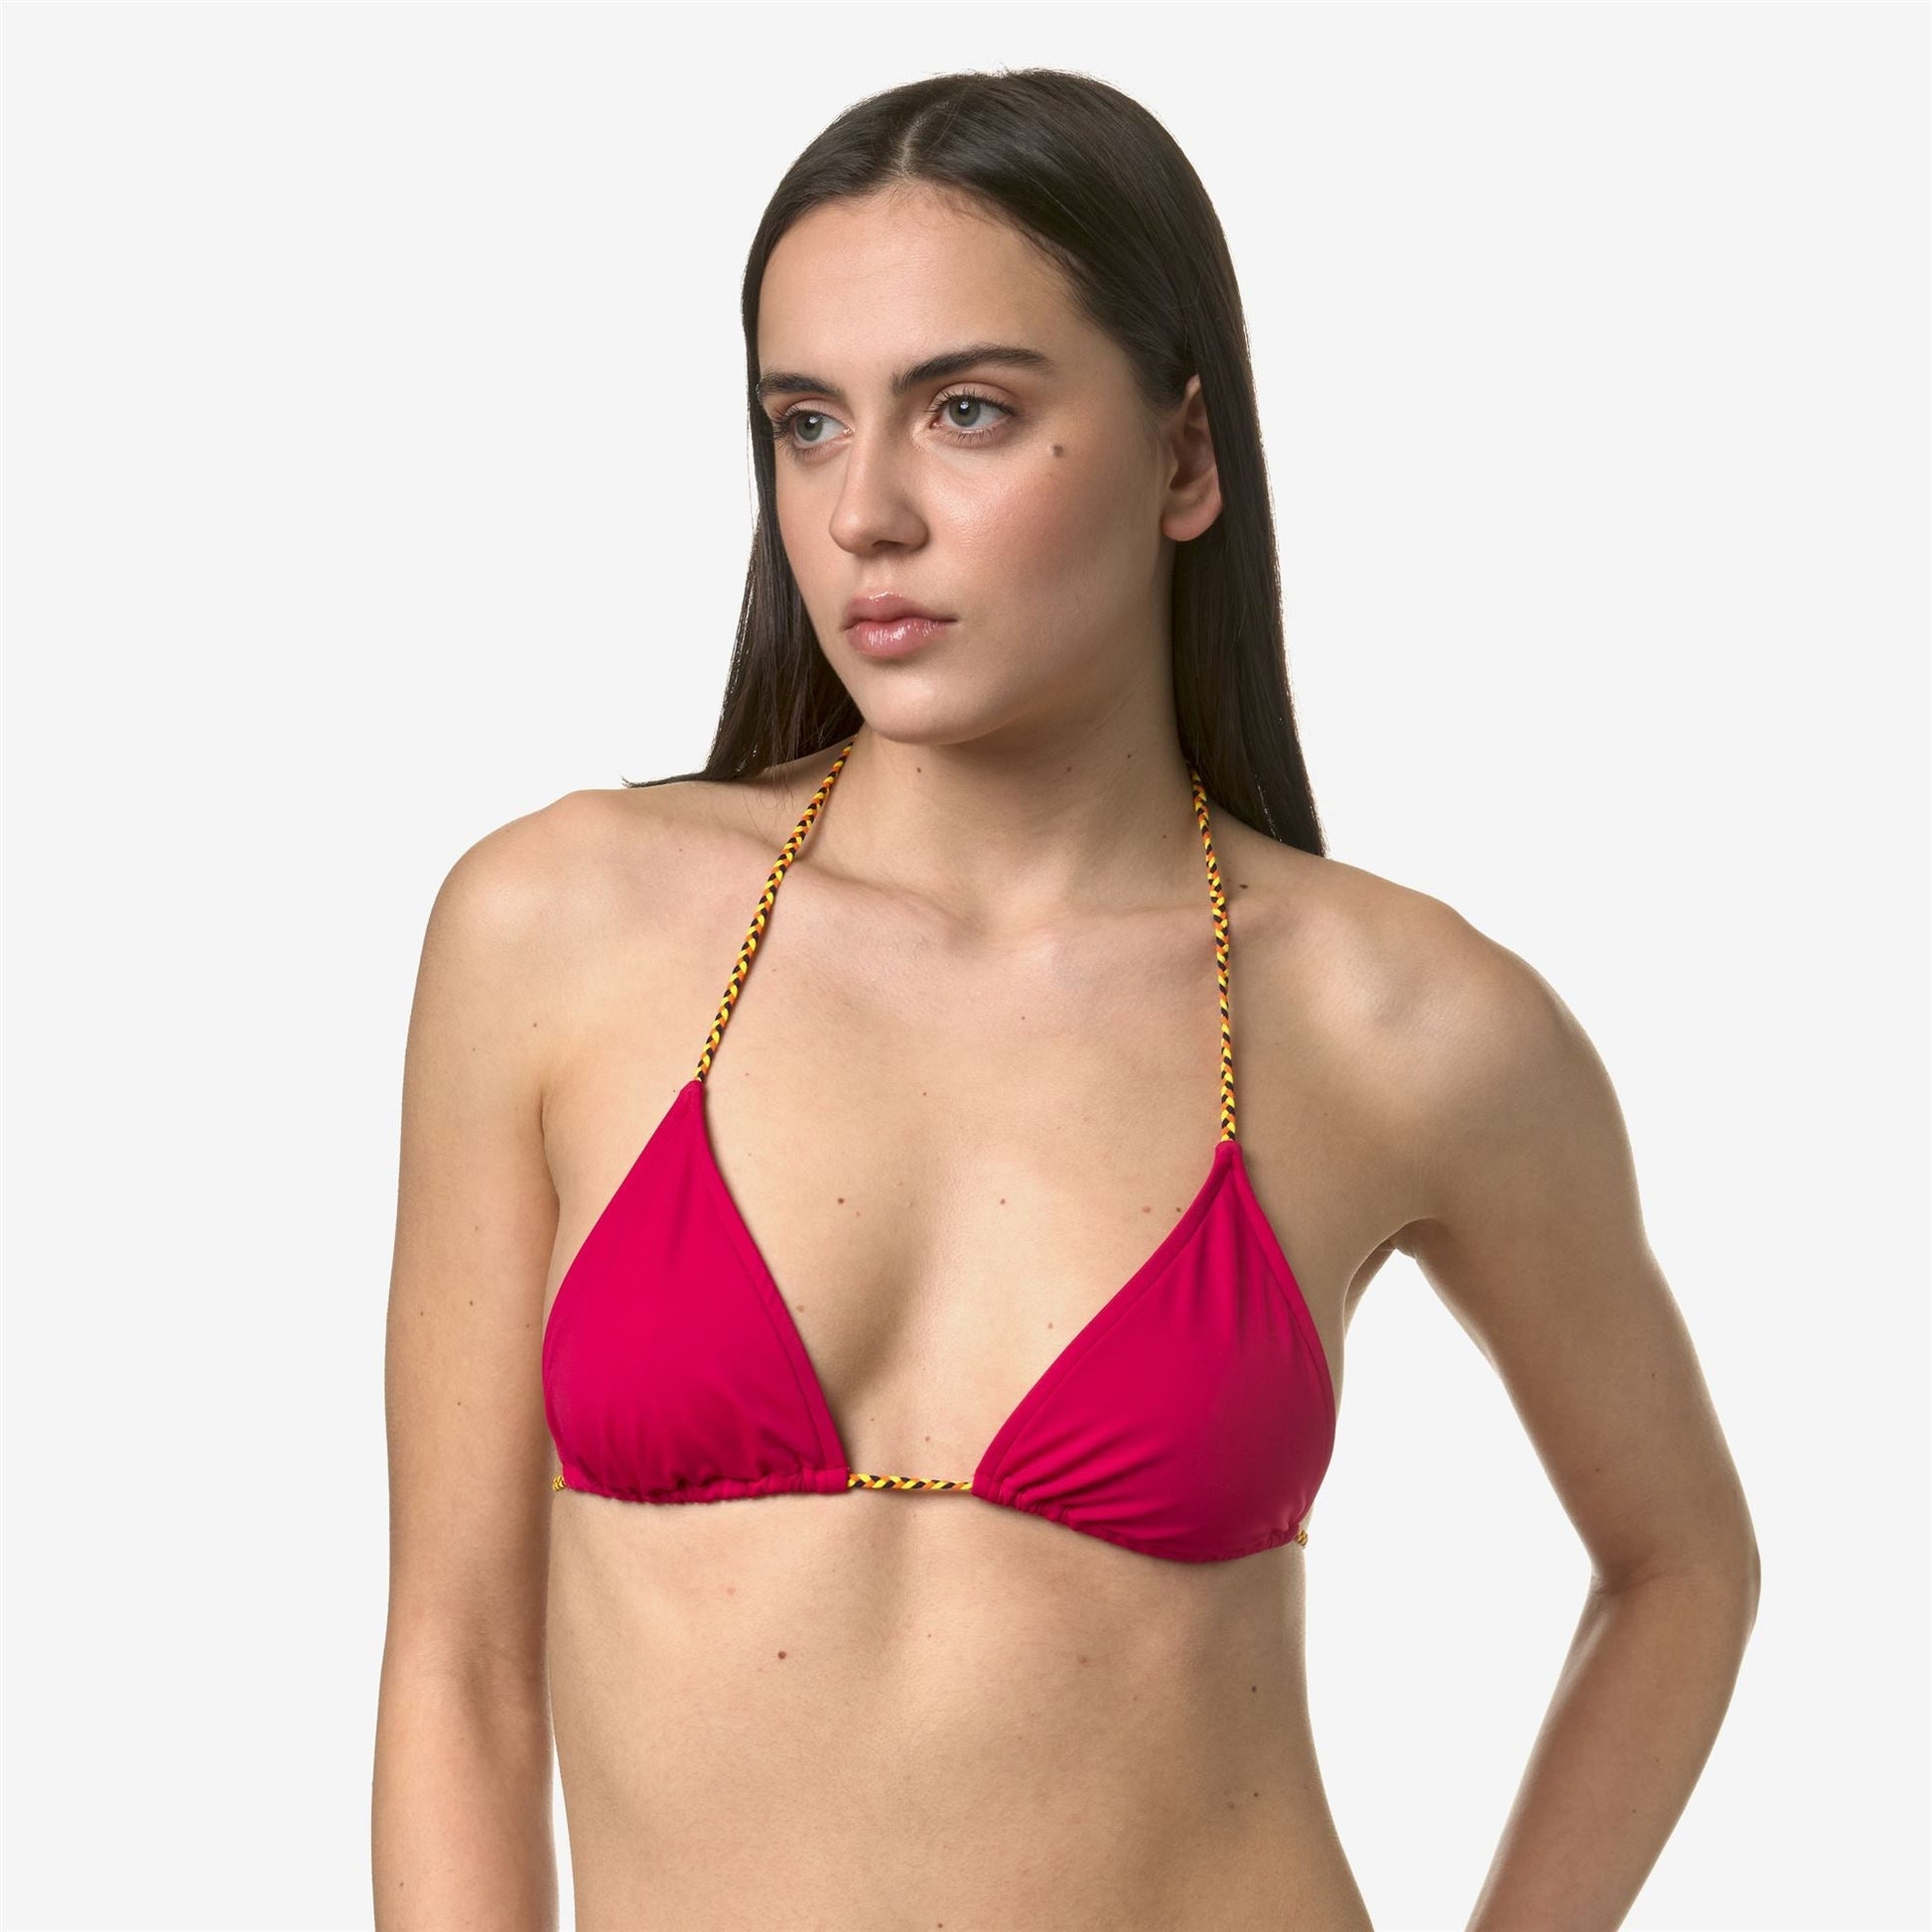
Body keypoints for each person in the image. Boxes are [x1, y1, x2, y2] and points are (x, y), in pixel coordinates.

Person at [371, 67, 1760, 1930]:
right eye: (804, 422)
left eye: (966, 410)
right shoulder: (558, 927)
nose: (864, 512)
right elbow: (458, 1659)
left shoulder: (1404, 1020)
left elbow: (1680, 1564)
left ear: (1184, 458)